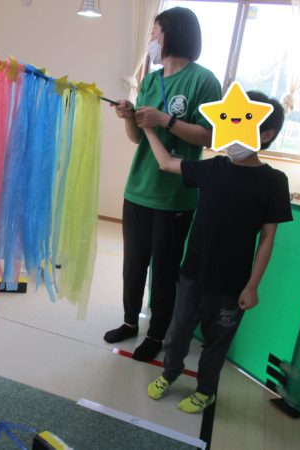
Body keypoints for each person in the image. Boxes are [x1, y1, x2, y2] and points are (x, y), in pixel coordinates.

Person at [144, 91, 292, 413]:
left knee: (216, 343)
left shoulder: (274, 182)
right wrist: (149, 129)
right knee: (177, 333)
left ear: (266, 134)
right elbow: (166, 163)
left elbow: (268, 237)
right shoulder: (214, 168)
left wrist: (252, 286)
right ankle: (169, 373)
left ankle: (206, 390)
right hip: (192, 274)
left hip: (231, 285)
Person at [106, 7, 222, 362]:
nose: (152, 40)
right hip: (138, 189)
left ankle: (157, 333)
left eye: (155, 32)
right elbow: (138, 138)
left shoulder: (203, 81)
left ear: (173, 34)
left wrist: (165, 120)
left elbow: (210, 136)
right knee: (133, 265)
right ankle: (130, 321)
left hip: (175, 196)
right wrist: (129, 117)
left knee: (165, 270)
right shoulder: (150, 80)